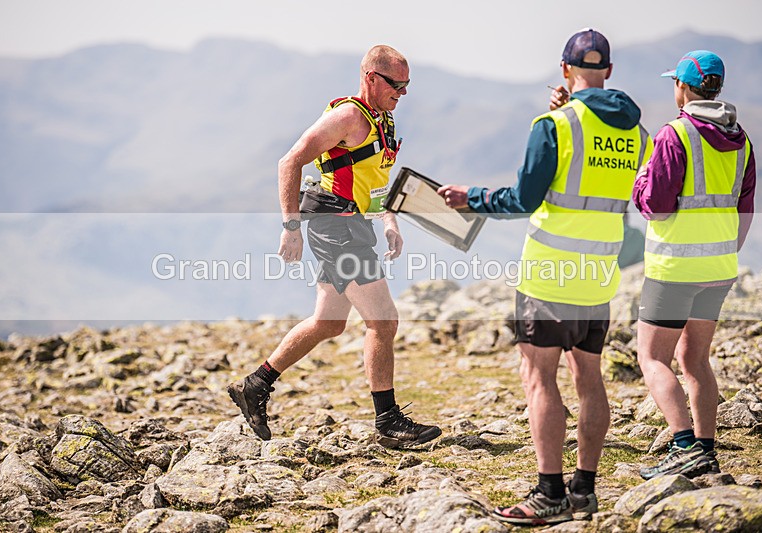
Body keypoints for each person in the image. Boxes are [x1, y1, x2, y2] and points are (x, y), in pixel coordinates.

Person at [439, 29, 651, 525]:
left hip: (550, 273)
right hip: (600, 272)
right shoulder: (638, 134)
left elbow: (525, 198)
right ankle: (585, 489)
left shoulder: (554, 125)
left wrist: (471, 197)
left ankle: (549, 494)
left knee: (539, 378)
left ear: (563, 69)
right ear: (610, 73)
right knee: (589, 377)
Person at [227, 45, 441, 449]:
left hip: (354, 223)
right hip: (333, 224)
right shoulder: (346, 116)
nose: (404, 93)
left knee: (329, 323)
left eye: (408, 84)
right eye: (398, 84)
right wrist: (290, 227)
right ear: (372, 78)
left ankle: (254, 386)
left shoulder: (384, 121)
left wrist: (388, 219)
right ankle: (389, 422)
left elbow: (372, 179)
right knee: (384, 321)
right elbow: (289, 162)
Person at [634, 50, 756, 479]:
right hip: (718, 268)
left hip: (674, 269)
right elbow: (745, 210)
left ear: (683, 87)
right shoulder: (741, 140)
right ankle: (706, 450)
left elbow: (657, 205)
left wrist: (640, 181)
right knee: (696, 360)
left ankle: (684, 445)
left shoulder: (675, 135)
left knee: (652, 358)